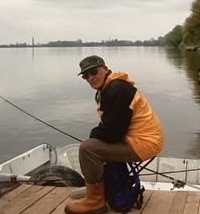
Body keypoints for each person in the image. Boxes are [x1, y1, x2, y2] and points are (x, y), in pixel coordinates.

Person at [65, 55, 164, 214]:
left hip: (144, 142)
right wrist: (97, 134)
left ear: (105, 68)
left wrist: (93, 135)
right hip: (135, 139)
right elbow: (110, 125)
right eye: (86, 76)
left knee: (87, 149)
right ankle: (99, 190)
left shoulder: (117, 89)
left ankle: (95, 201)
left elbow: (113, 133)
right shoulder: (107, 88)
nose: (90, 78)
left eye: (94, 72)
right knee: (94, 144)